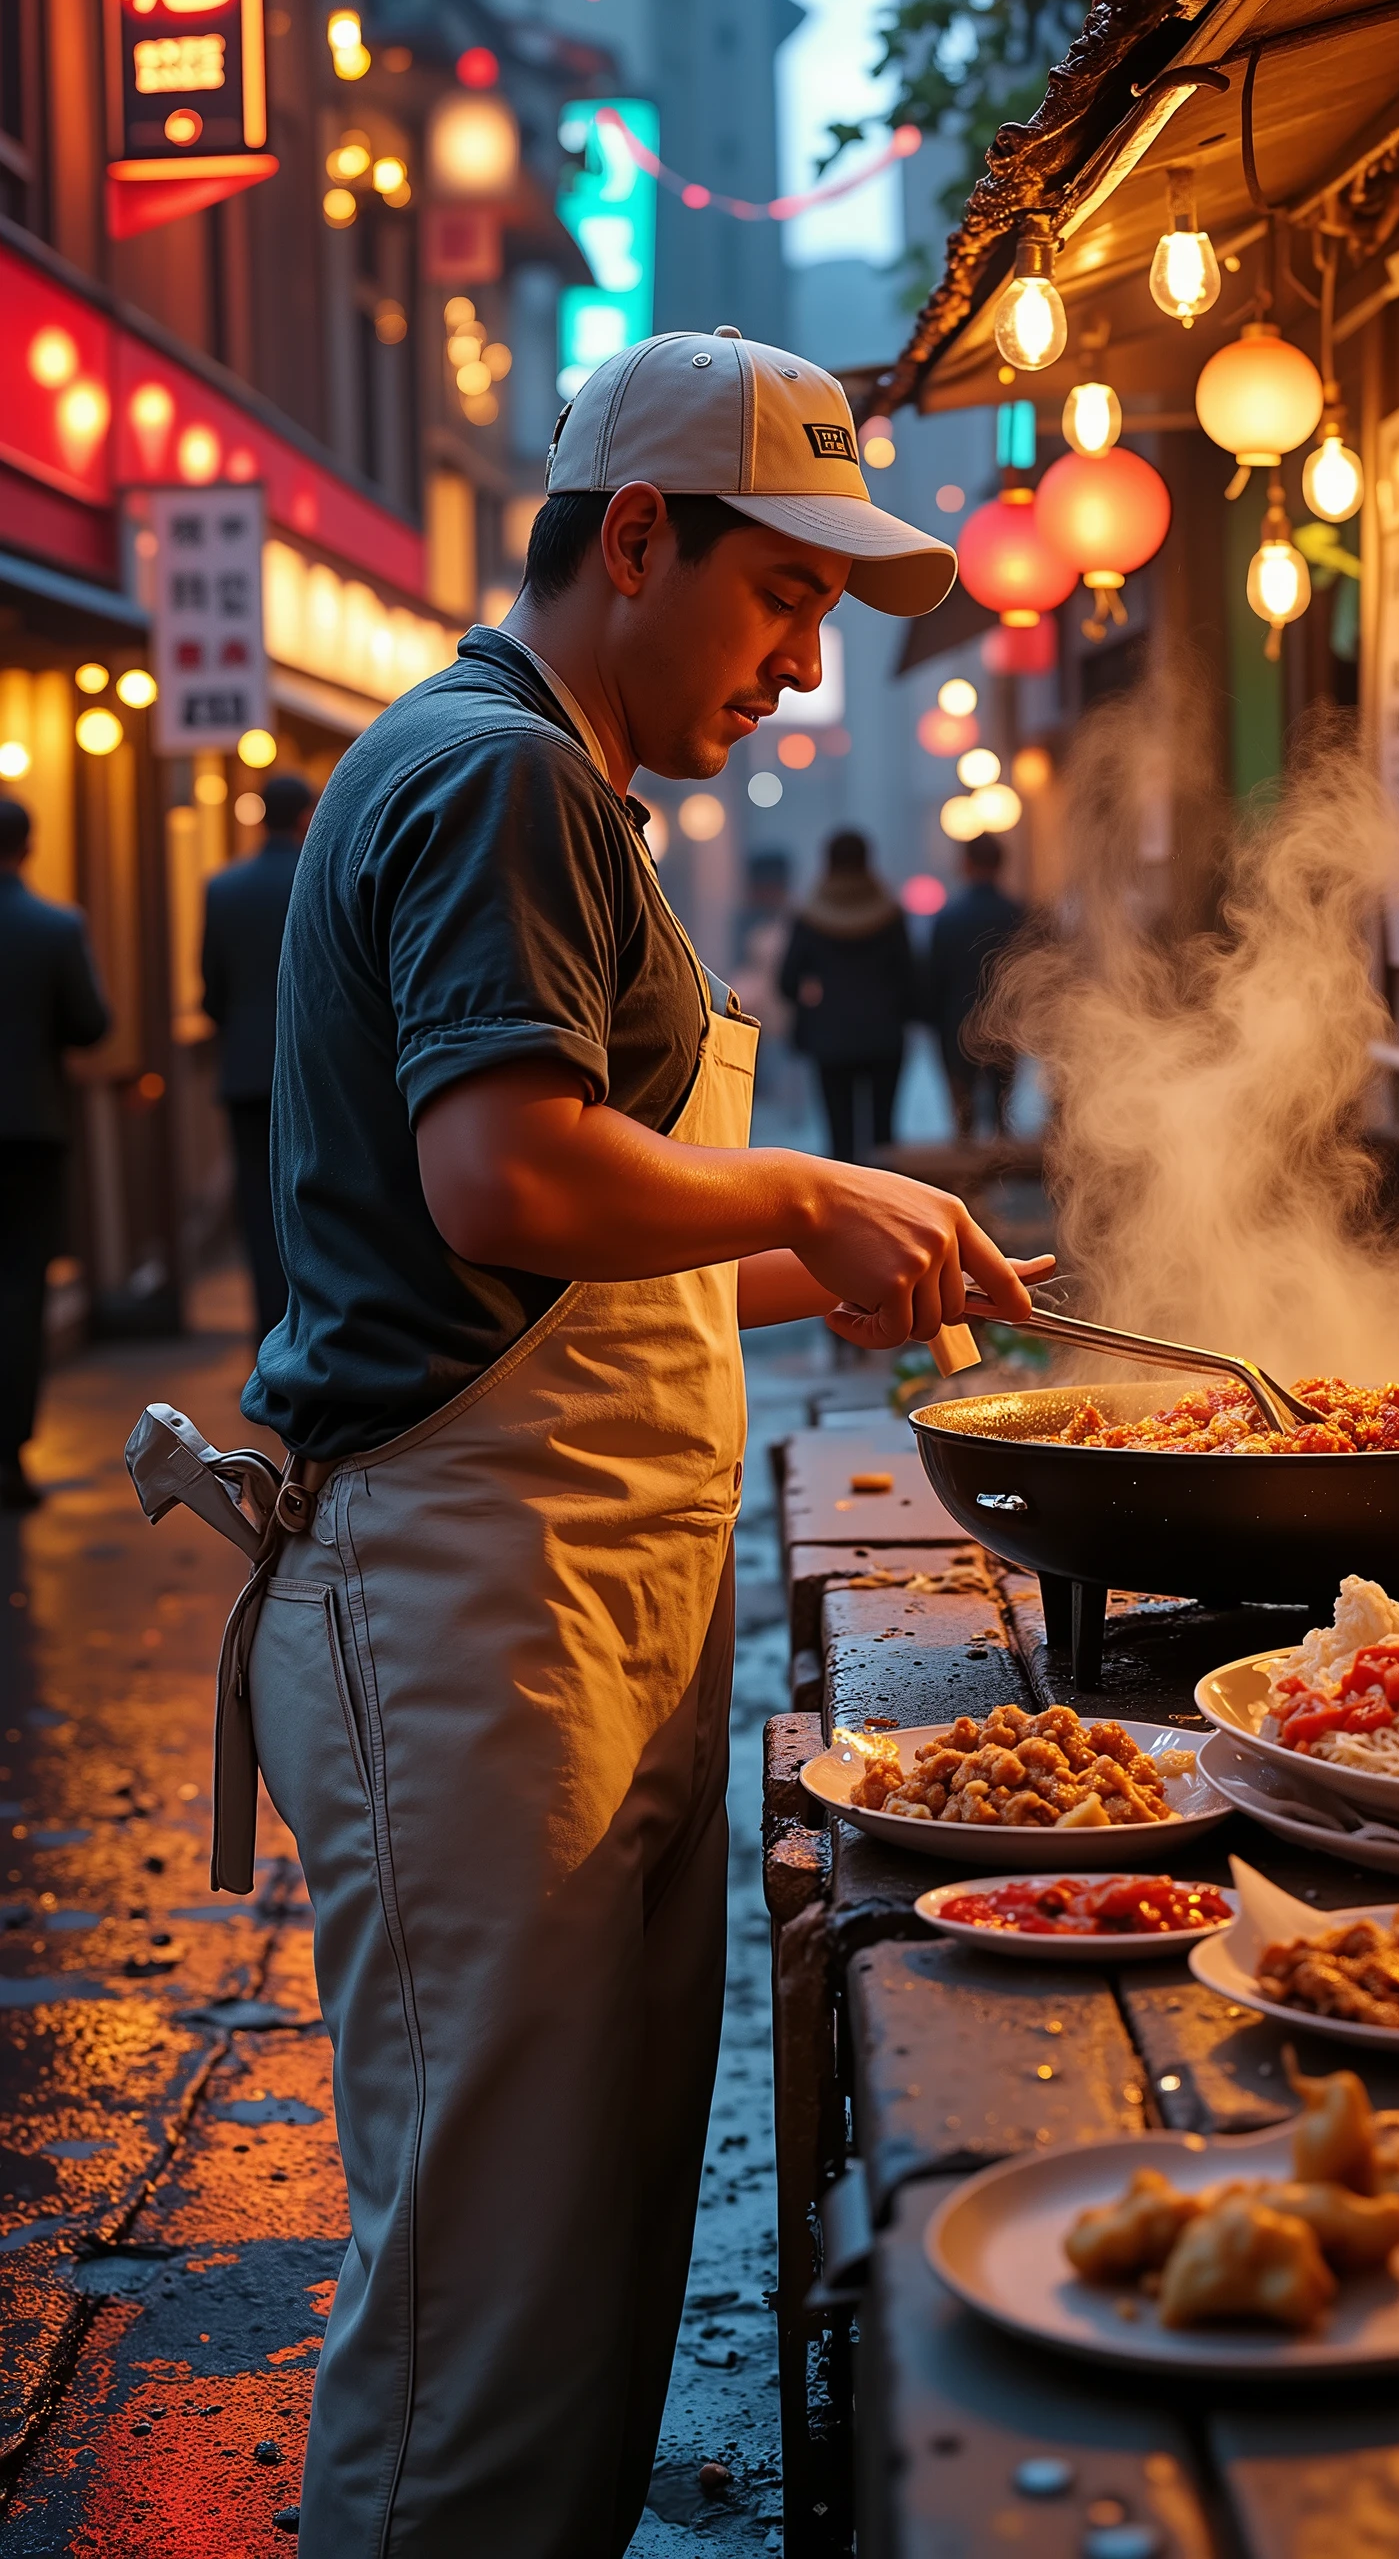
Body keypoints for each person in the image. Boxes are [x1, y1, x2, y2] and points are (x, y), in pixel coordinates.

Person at [230, 329, 1048, 2557]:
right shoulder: (504, 776)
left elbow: (597, 1252)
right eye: (780, 597)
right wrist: (805, 1187)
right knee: (481, 2326)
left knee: (579, 2268)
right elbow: (506, 1177)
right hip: (463, 1612)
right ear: (631, 538)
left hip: (563, 1600)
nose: (796, 666)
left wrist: (887, 1255)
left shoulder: (556, 784)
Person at [0, 796, 109, 1509]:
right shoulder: (53, 926)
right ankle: (9, 1456)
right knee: (18, 1289)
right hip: (29, 1131)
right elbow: (91, 1022)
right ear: (29, 846)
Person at [201, 770, 316, 1344]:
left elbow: (211, 993)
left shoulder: (223, 888)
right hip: (317, 1070)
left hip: (246, 1071)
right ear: (305, 817)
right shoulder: (317, 875)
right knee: (315, 1195)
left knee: (255, 1201)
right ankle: (312, 1326)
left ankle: (267, 1333)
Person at [778, 829, 918, 1160]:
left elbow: (786, 981)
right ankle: (884, 1204)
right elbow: (910, 979)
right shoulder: (890, 914)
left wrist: (813, 996)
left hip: (830, 1039)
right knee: (883, 1134)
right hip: (884, 1038)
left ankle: (845, 1207)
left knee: (840, 1135)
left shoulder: (810, 916)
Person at [926, 834, 1026, 1137]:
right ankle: (1001, 1172)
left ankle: (965, 1180)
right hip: (1006, 1022)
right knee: (1002, 1111)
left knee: (963, 1114)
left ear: (966, 864)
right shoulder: (1019, 915)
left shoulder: (949, 918)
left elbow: (934, 979)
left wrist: (934, 1023)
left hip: (957, 1023)